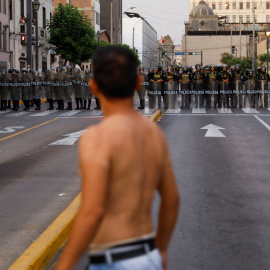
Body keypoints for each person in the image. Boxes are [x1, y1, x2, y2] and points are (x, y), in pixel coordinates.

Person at [56, 46, 180, 270]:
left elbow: (93, 210)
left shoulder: (97, 137)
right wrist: (160, 249)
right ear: (138, 83)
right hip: (147, 254)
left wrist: (64, 266)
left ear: (93, 86)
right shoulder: (153, 133)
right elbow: (172, 200)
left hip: (114, 259)